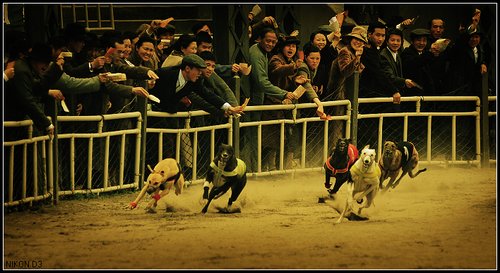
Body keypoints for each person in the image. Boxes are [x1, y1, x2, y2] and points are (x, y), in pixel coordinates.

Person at [326, 26, 366, 147]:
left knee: (345, 127)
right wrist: (358, 58)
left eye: (361, 40)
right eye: (355, 39)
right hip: (338, 96)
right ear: (350, 39)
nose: (357, 42)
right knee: (337, 128)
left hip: (347, 96)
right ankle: (334, 155)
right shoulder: (345, 51)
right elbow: (345, 71)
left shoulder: (353, 53)